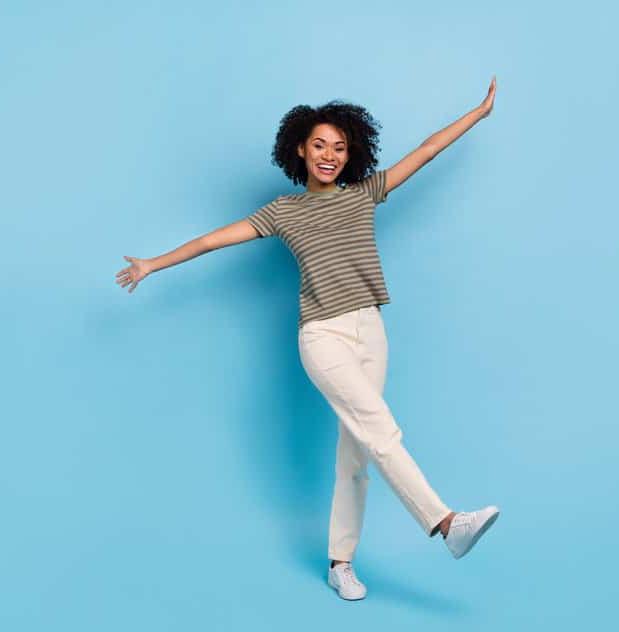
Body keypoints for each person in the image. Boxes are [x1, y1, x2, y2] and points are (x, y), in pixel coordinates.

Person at [115, 76, 501, 601]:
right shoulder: (283, 211)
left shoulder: (365, 194)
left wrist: (477, 113)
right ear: (300, 148)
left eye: (340, 148)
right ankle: (445, 523)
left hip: (371, 329)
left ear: (351, 155)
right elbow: (211, 240)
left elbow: (428, 149)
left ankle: (340, 563)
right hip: (322, 335)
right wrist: (152, 264)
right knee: (381, 430)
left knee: (357, 454)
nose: (329, 155)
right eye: (319, 144)